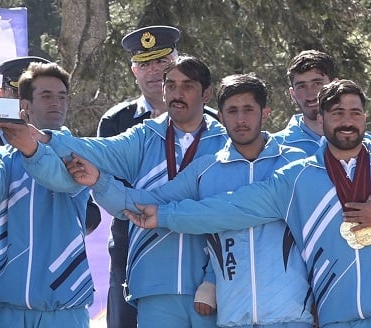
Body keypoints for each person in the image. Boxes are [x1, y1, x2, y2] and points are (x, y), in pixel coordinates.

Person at [71, 73, 314, 327]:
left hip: (291, 316)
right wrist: (99, 181)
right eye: (232, 111)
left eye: (248, 110)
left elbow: (224, 213)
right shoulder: (206, 169)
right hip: (233, 317)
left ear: (265, 113)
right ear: (221, 117)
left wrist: (166, 217)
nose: (240, 119)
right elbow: (151, 200)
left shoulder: (297, 164)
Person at [125, 79, 371, 327]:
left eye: (355, 113)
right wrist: (164, 215)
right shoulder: (297, 177)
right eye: (338, 113)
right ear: (321, 119)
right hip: (336, 318)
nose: (347, 121)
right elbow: (229, 209)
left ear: (364, 116)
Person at [6, 55, 227, 327]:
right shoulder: (144, 137)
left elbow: (230, 222)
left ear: (206, 93)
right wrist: (47, 138)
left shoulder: (225, 144)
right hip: (153, 286)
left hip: (213, 289)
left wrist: (214, 281)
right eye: (170, 86)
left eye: (188, 86)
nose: (177, 94)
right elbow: (97, 150)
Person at [0, 62, 94, 328]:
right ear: (24, 106)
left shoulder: (79, 150)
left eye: (61, 96)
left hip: (63, 305)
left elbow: (60, 179)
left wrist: (30, 147)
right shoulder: (4, 157)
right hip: (10, 306)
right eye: (46, 96)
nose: (56, 103)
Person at [97, 26, 180, 328]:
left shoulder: (208, 120)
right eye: (145, 64)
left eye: (162, 62)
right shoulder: (115, 121)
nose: (154, 71)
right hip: (130, 248)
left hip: (191, 248)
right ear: (134, 71)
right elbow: (108, 189)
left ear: (177, 63)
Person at [272, 50, 337, 154]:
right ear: (292, 94)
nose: (311, 95)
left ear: (335, 86)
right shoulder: (274, 148)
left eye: (317, 84)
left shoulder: (365, 145)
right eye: (301, 86)